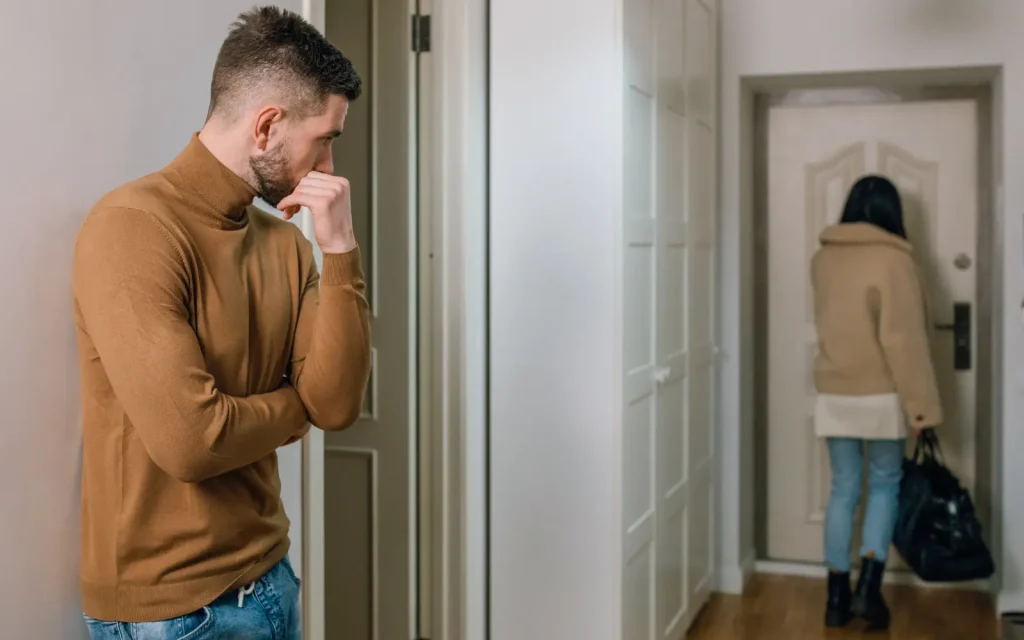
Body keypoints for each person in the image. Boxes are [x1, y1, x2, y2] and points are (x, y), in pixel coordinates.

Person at [72, 7, 369, 639]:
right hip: (176, 616)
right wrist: (297, 407)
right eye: (323, 139)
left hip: (271, 582)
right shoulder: (133, 226)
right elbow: (194, 442)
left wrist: (340, 247)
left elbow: (338, 404)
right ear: (267, 126)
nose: (328, 166)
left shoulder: (285, 243)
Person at [811, 175, 942, 631]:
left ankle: (834, 600)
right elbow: (903, 343)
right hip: (883, 395)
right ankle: (868, 590)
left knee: (843, 490)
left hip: (834, 391)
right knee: (884, 486)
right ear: (891, 212)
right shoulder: (894, 261)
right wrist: (922, 409)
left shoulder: (822, 259)